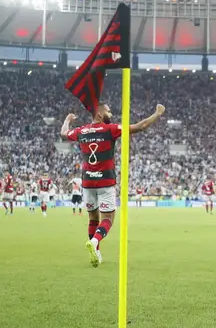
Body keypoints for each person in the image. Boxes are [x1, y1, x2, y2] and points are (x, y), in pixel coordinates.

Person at [60, 103, 165, 267]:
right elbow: (140, 126)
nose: (111, 113)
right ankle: (95, 241)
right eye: (109, 111)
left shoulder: (81, 131)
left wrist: (67, 120)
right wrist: (157, 114)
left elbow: (64, 133)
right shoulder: (110, 129)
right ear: (100, 114)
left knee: (93, 218)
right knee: (108, 218)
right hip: (105, 180)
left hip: (87, 181)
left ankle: (97, 252)